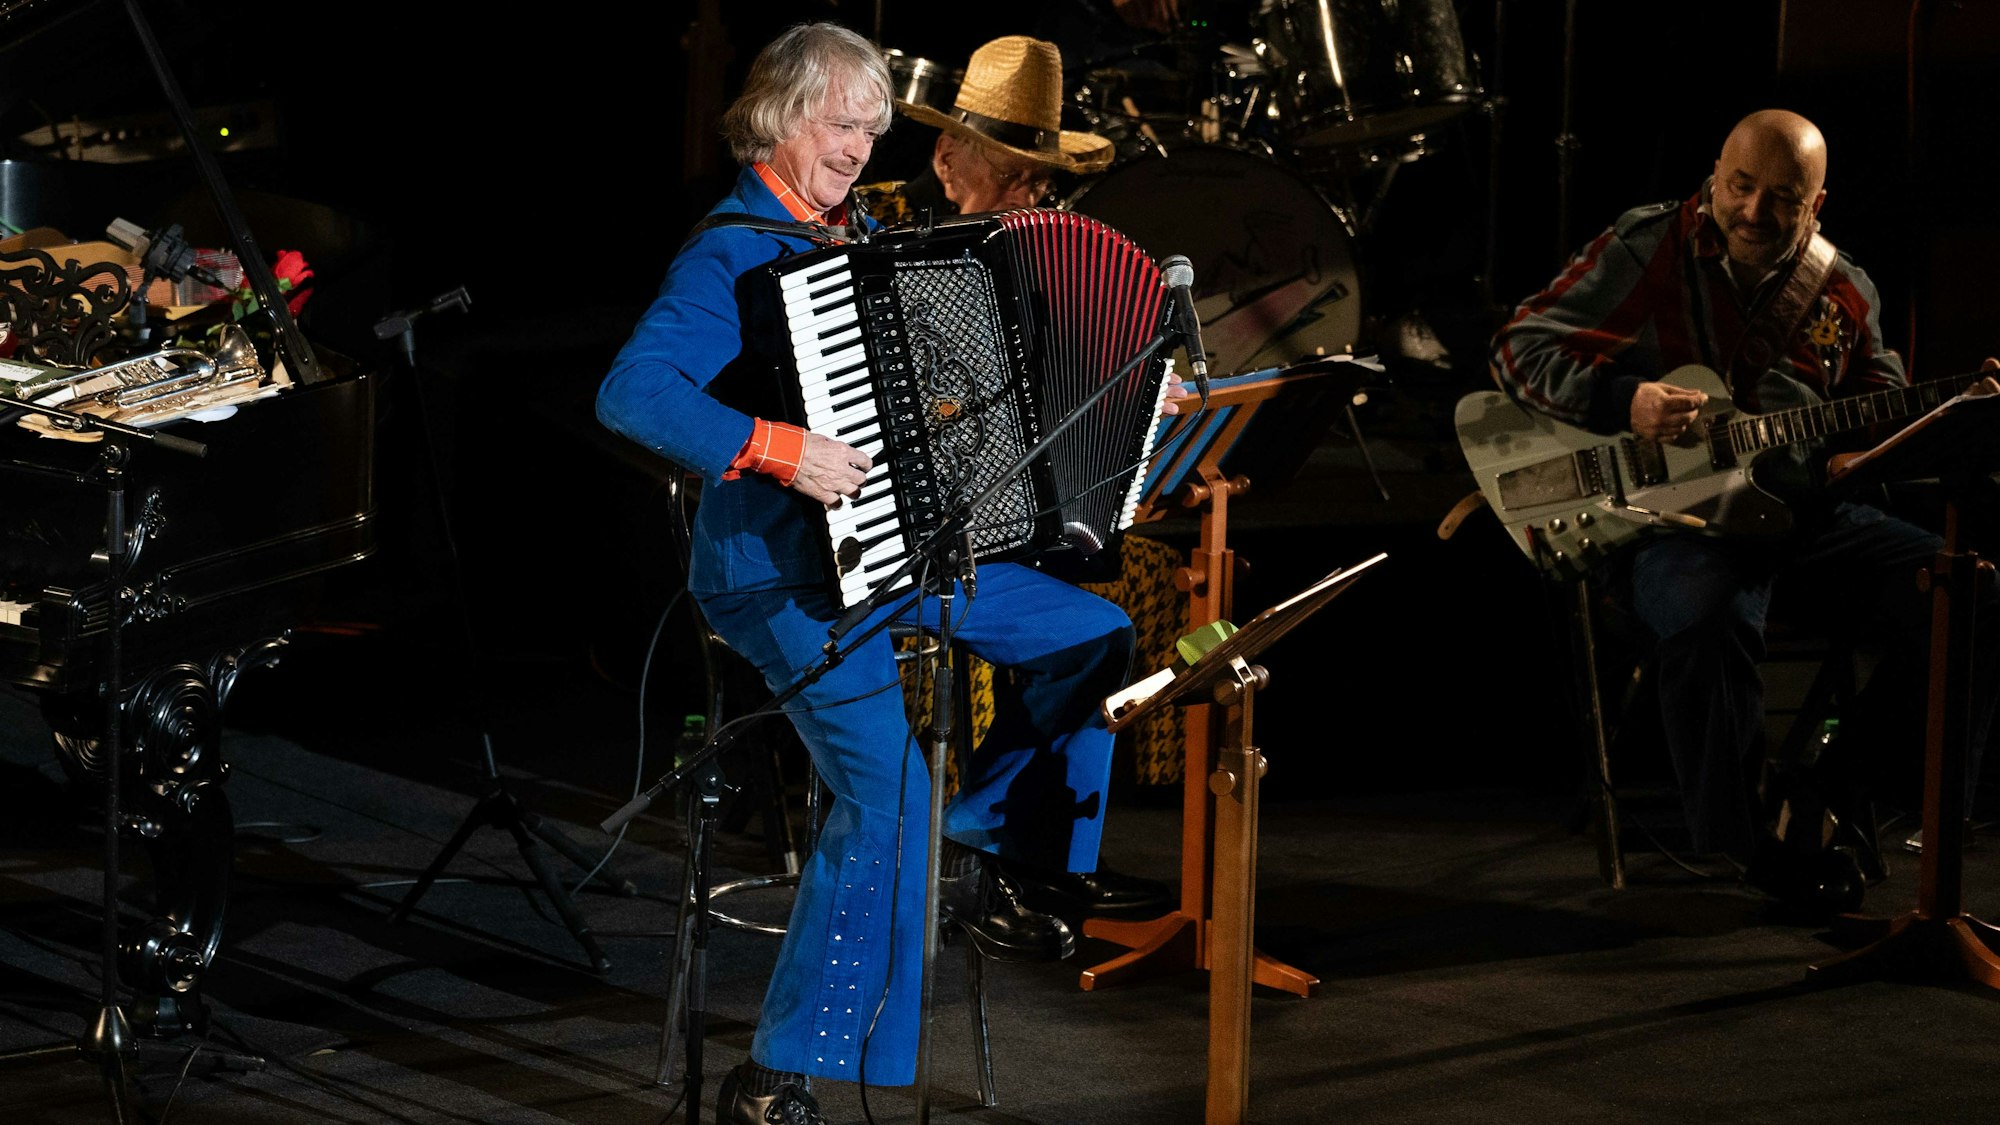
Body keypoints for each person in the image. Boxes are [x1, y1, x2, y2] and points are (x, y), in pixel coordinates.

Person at [596, 22, 1185, 1125]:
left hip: (896, 552)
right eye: (842, 124)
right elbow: (630, 395)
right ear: (778, 116)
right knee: (888, 799)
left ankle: (992, 854)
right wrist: (779, 449)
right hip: (778, 576)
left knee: (1087, 638)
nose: (862, 148)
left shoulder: (859, 233)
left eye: (874, 127)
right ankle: (775, 1075)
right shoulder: (728, 251)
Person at [1489, 108, 2000, 916]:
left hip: (1804, 515)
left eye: (1782, 198)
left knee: (1967, 592)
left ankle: (1839, 794)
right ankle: (1751, 843)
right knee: (1701, 612)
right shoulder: (1646, 245)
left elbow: (1875, 411)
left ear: (1817, 204)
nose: (1754, 212)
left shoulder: (1845, 289)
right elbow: (1519, 348)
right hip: (1677, 520)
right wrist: (1628, 399)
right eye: (1740, 186)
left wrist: (1857, 462)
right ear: (1714, 174)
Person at [857, 34, 1117, 225]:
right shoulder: (859, 220)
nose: (1025, 201)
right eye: (1009, 175)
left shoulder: (1033, 254)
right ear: (947, 159)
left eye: (1037, 182)